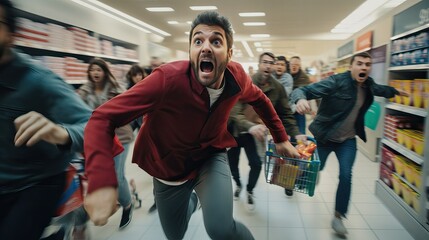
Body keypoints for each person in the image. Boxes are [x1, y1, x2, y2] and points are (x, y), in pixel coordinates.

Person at [83, 11, 300, 240]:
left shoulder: (236, 77)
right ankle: (194, 200)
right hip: (169, 170)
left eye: (216, 41)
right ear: (191, 52)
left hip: (210, 157)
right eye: (198, 40)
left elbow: (260, 100)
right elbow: (102, 118)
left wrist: (281, 138)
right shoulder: (166, 79)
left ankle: (203, 197)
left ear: (229, 54)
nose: (205, 47)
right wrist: (101, 182)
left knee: (221, 228)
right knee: (175, 234)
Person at [290, 52, 409, 236]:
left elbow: (379, 89)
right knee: (314, 169)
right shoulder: (336, 81)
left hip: (348, 140)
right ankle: (312, 173)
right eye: (359, 63)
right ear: (351, 67)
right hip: (325, 138)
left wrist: (394, 91)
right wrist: (300, 99)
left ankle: (338, 217)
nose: (363, 67)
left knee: (346, 175)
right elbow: (304, 90)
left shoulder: (368, 84)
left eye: (367, 64)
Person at [0, 1, 92, 239]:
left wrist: (59, 133)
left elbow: (95, 127)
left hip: (34, 184)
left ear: (11, 34)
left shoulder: (39, 81)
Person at [228, 52, 305, 209]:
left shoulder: (277, 88)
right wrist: (251, 126)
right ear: (259, 64)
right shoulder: (244, 82)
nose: (268, 65)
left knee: (256, 164)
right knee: (232, 163)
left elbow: (285, 114)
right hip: (234, 132)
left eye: (271, 63)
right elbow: (234, 112)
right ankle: (237, 184)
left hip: (253, 136)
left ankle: (249, 190)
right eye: (265, 62)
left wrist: (296, 132)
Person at [77, 58, 135, 230]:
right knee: (98, 177)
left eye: (99, 70)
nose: (95, 73)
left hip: (120, 138)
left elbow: (127, 110)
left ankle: (127, 205)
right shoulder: (85, 92)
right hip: (98, 141)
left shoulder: (116, 90)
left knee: (117, 176)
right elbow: (77, 112)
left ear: (105, 71)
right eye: (92, 70)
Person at [289, 56, 311, 134]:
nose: (294, 66)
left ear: (300, 66)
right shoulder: (285, 75)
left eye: (296, 64)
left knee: (301, 133)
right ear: (289, 65)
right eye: (292, 64)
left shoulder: (304, 78)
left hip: (299, 110)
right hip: (286, 110)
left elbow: (309, 92)